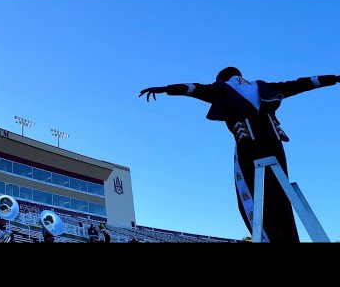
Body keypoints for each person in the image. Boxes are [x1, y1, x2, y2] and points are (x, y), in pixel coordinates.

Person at [139, 67, 340, 243]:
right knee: (282, 200)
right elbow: (300, 84)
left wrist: (167, 89)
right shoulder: (262, 86)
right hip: (276, 147)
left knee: (254, 199)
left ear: (221, 79)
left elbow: (195, 88)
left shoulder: (222, 88)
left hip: (250, 149)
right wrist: (334, 78)